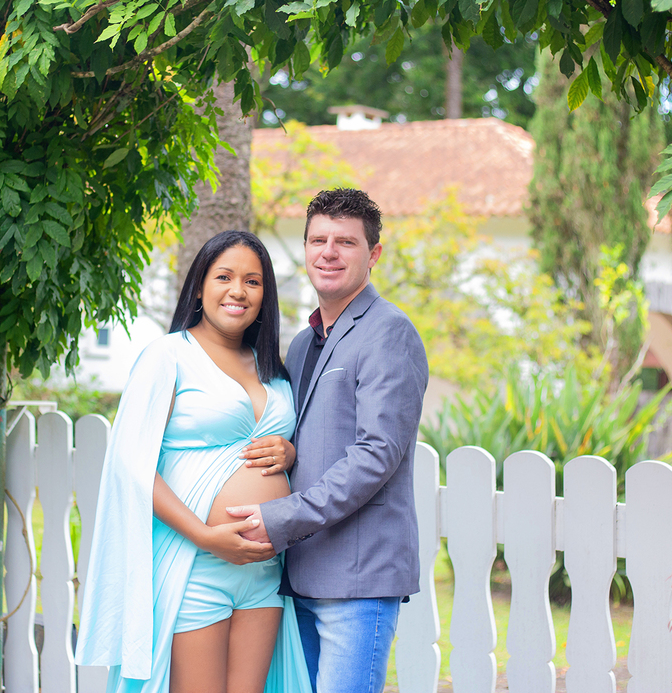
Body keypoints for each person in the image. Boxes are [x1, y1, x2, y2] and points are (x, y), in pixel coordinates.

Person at [76, 230, 312, 693]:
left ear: (265, 296)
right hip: (196, 566)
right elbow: (132, 464)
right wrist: (207, 535)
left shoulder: (272, 368)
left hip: (264, 573)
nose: (238, 291)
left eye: (253, 281)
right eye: (224, 277)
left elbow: (281, 443)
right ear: (199, 287)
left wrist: (289, 451)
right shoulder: (168, 356)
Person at [227, 189, 429, 693]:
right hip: (299, 575)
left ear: (373, 254)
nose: (329, 252)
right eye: (318, 239)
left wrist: (280, 519)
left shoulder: (389, 332)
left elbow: (376, 454)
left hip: (359, 580)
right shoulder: (302, 342)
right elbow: (308, 435)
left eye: (346, 242)